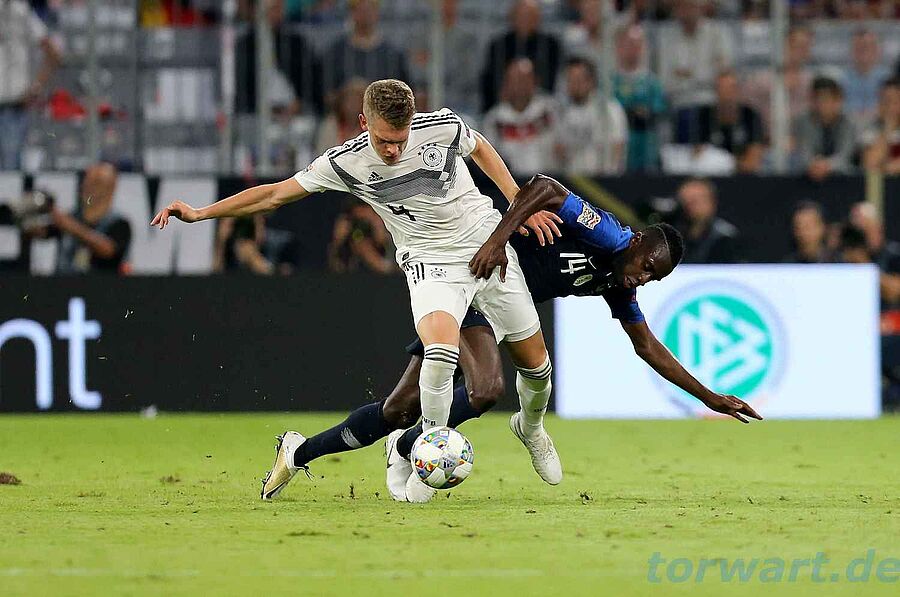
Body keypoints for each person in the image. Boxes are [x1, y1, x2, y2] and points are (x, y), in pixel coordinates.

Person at [150, 79, 564, 502]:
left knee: (537, 369)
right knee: (440, 353)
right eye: (384, 141)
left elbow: (480, 148)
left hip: (485, 245)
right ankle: (427, 457)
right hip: (429, 261)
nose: (393, 150)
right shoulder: (345, 162)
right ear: (364, 123)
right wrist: (201, 213)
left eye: (400, 140)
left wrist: (517, 200)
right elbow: (274, 195)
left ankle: (531, 428)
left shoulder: (442, 127)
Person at [273, 174, 761, 503]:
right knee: (478, 391)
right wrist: (497, 240)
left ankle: (303, 452)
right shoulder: (608, 234)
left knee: (402, 409)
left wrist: (711, 398)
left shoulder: (619, 282)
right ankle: (405, 443)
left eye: (655, 278)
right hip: (475, 278)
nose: (644, 278)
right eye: (646, 266)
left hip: (503, 307)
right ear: (636, 243)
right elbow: (545, 187)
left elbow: (647, 346)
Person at [26, 163, 131, 275]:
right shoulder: (71, 217)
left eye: (97, 183)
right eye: (88, 181)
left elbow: (108, 250)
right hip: (64, 282)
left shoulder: (119, 223)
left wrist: (70, 226)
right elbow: (40, 232)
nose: (90, 188)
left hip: (103, 284)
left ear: (112, 188)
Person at [0, 0, 61, 169]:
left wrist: (36, 87)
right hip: (12, 104)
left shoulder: (19, 11)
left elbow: (53, 52)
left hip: (12, 105)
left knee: (10, 169)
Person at [479, 0, 562, 111]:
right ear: (512, 18)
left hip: (540, 105)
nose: (525, 20)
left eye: (530, 16)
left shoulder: (550, 45)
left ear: (538, 19)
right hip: (502, 105)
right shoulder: (498, 45)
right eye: (522, 15)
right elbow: (490, 80)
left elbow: (553, 81)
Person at [481, 59, 559, 176]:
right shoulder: (494, 120)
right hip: (511, 183)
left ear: (535, 82)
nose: (520, 85)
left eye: (525, 79)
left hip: (550, 180)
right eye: (515, 80)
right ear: (506, 84)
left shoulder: (551, 110)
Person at [322, 0, 409, 99]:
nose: (365, 15)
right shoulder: (336, 52)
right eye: (360, 10)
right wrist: (349, 93)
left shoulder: (393, 54)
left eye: (369, 9)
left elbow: (404, 94)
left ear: (377, 12)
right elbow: (326, 94)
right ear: (351, 12)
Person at [555, 57, 627, 175]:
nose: (574, 85)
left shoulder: (609, 109)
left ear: (591, 81)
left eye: (578, 80)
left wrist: (611, 176)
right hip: (571, 179)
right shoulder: (560, 112)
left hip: (603, 178)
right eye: (570, 80)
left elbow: (618, 145)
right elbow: (558, 150)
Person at [675, 70, 764, 162]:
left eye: (730, 88)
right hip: (712, 170)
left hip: (740, 170)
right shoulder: (703, 116)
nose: (726, 94)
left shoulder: (750, 116)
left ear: (738, 90)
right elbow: (698, 156)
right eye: (721, 88)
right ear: (715, 91)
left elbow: (753, 160)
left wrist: (725, 162)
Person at [657, 0, 732, 110]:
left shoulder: (717, 32)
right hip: (678, 101)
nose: (685, 11)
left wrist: (686, 74)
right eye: (681, 6)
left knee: (727, 87)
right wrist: (704, 75)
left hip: (711, 99)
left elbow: (724, 71)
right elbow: (664, 80)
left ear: (701, 8)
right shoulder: (666, 36)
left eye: (690, 6)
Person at [612, 24, 667, 173]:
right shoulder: (611, 83)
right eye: (629, 44)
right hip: (620, 147)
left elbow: (657, 112)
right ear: (619, 47)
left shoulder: (651, 83)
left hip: (647, 149)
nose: (634, 49)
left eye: (638, 45)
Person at [742, 26, 815, 133]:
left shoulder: (812, 83)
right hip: (765, 138)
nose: (800, 51)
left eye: (805, 47)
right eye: (795, 45)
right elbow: (744, 111)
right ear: (784, 45)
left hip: (801, 139)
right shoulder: (760, 81)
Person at [792, 77, 856, 181]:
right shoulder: (802, 122)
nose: (822, 104)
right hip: (808, 177)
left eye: (827, 99)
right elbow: (804, 153)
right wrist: (814, 164)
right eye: (818, 99)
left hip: (842, 178)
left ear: (838, 100)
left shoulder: (848, 123)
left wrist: (827, 165)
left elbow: (845, 155)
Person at [672, 177, 740, 264]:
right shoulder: (671, 236)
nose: (690, 207)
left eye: (695, 201)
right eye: (685, 202)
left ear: (712, 203)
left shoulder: (725, 237)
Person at [327, 200, 394, 274]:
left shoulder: (382, 218)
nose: (361, 214)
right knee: (361, 244)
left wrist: (378, 227)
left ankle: (386, 267)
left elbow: (381, 240)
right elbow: (335, 254)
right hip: (358, 268)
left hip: (389, 256)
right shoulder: (351, 223)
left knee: (364, 245)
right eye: (357, 211)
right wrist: (338, 240)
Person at [842, 29, 889, 130]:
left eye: (868, 47)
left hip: (881, 128)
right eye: (859, 47)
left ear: (878, 50)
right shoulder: (840, 79)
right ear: (851, 50)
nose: (864, 51)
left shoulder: (889, 79)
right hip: (847, 129)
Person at [860, 77, 900, 175]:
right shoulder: (870, 130)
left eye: (895, 101)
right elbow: (870, 164)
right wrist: (888, 129)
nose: (890, 107)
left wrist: (886, 167)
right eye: (886, 102)